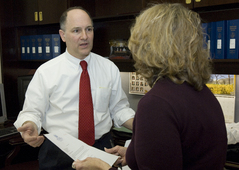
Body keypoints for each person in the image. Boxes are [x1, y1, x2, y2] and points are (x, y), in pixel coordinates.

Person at [72, 3, 227, 170]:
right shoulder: (202, 92)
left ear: (146, 46)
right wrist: (135, 154)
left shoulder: (157, 104)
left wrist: (102, 167)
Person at [14, 6, 135, 170]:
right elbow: (32, 111)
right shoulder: (46, 72)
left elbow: (119, 109)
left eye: (89, 29)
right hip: (59, 151)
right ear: (63, 35)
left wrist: (143, 125)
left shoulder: (109, 68)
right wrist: (30, 124)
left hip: (102, 147)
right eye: (76, 30)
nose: (84, 36)